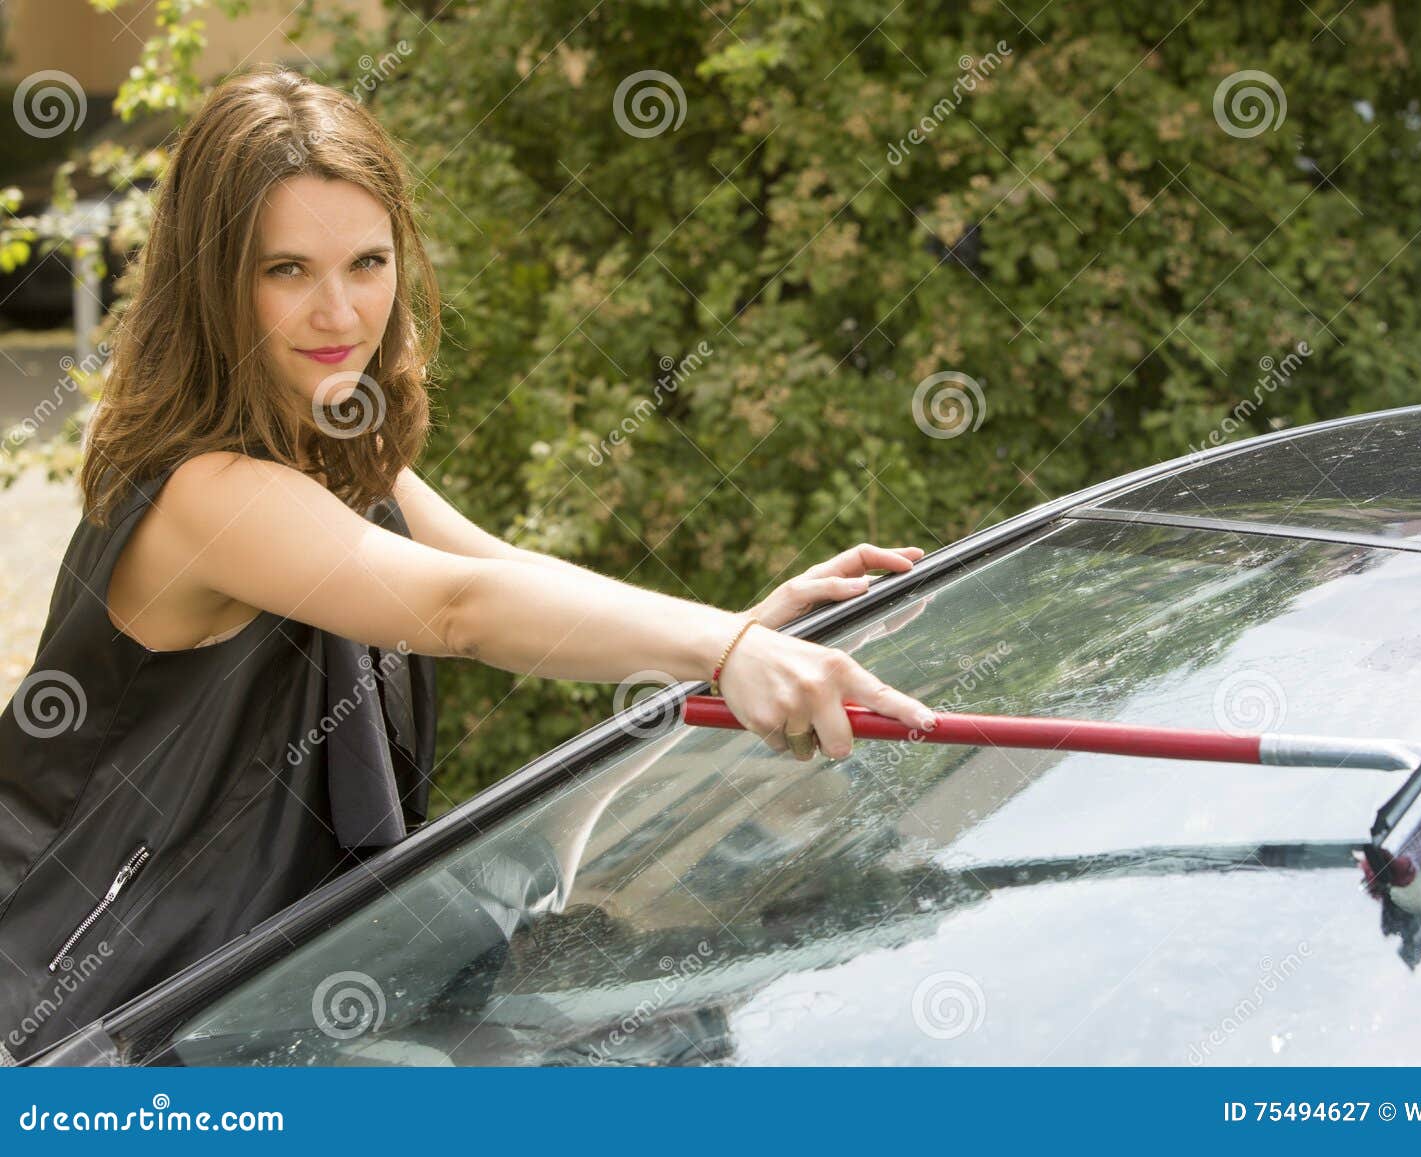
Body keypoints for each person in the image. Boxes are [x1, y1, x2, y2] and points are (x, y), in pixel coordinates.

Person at [0, 65, 937, 1064]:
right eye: (285, 271)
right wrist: (725, 646)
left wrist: (740, 628)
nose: (339, 312)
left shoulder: (336, 458)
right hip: (70, 1038)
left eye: (366, 261)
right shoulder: (207, 494)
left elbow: (508, 571)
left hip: (235, 1023)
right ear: (211, 280)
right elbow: (459, 607)